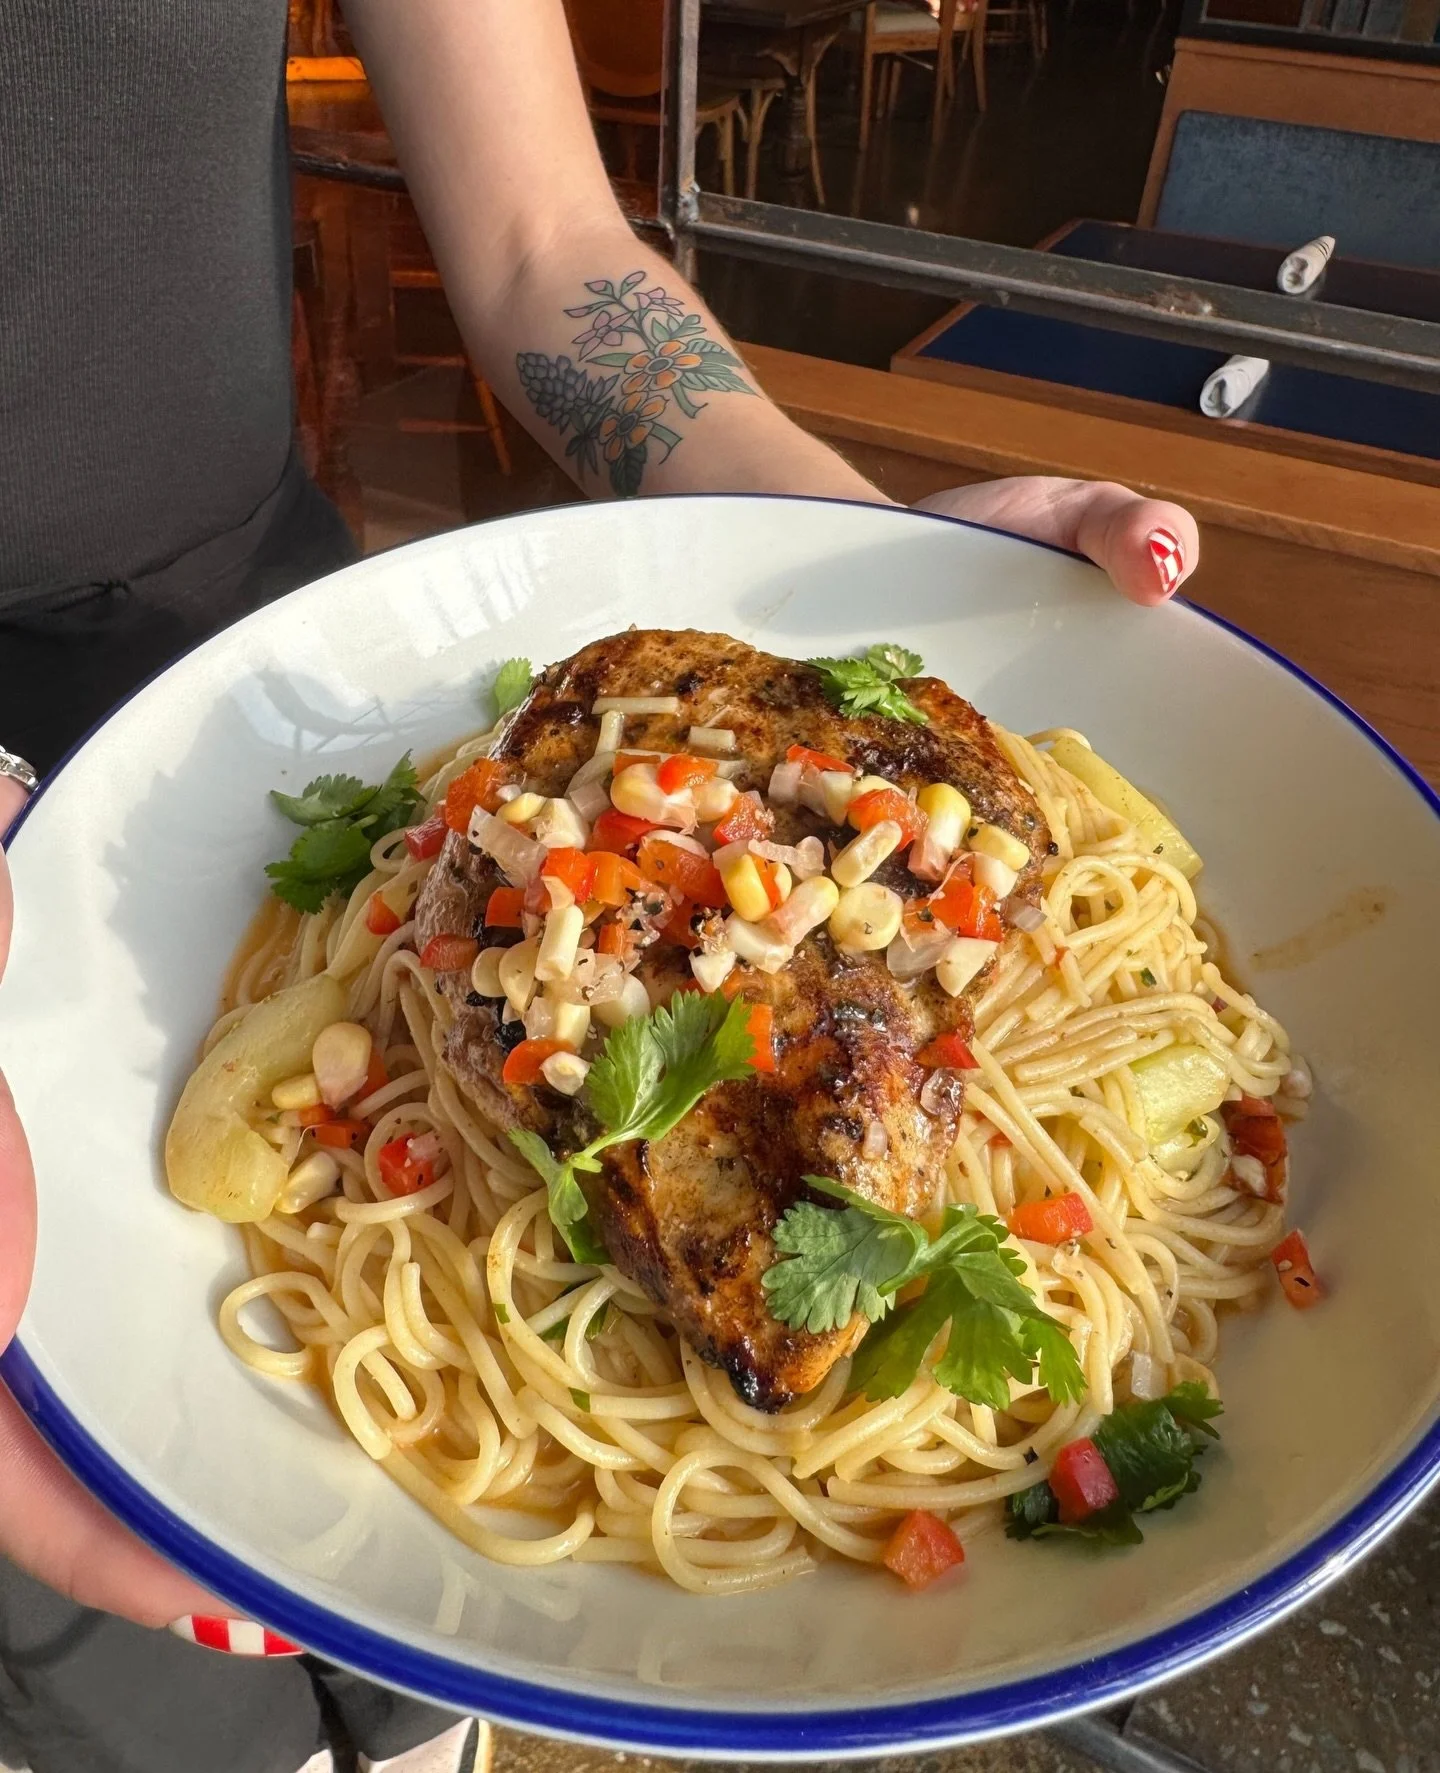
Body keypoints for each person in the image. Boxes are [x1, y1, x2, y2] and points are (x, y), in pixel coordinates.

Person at [0, 3, 1199, 1769]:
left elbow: (544, 243)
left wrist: (845, 556)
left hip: (259, 674)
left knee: (429, 1675)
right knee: (156, 1714)